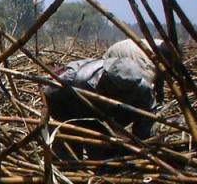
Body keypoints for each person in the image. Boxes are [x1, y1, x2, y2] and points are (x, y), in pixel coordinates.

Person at [44, 38, 172, 156]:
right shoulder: (80, 78)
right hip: (68, 105)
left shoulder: (140, 88)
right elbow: (49, 93)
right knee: (69, 146)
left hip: (96, 109)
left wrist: (141, 144)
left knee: (103, 149)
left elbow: (146, 117)